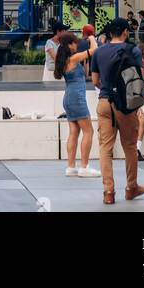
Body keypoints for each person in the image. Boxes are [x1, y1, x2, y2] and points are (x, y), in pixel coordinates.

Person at [90, 16, 144, 206]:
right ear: (125, 32)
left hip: (104, 102)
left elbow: (95, 81)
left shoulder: (98, 52)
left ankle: (108, 192)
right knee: (129, 145)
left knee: (105, 147)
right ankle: (131, 188)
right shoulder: (133, 50)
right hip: (125, 104)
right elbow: (139, 78)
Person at [54, 30, 100, 178]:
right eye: (75, 42)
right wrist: (92, 37)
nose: (76, 45)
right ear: (69, 45)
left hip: (68, 97)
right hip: (77, 98)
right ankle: (84, 166)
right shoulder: (73, 58)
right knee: (89, 131)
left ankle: (71, 166)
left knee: (74, 132)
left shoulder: (65, 60)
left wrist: (85, 40)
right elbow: (94, 50)